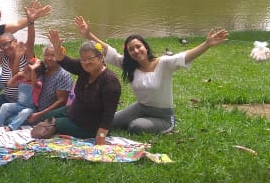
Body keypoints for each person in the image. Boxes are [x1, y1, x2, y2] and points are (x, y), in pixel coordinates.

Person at [75, 16, 229, 134]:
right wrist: (88, 34)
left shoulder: (164, 64)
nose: (136, 51)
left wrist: (207, 44)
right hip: (140, 108)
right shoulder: (129, 66)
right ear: (128, 53)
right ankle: (140, 119)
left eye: (138, 47)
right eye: (131, 49)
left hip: (163, 116)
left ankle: (158, 123)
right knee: (108, 123)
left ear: (145, 47)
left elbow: (185, 56)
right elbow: (109, 51)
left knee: (135, 127)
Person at [32, 31, 121, 144]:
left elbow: (109, 114)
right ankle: (61, 122)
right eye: (83, 59)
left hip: (90, 125)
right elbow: (63, 61)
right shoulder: (83, 68)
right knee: (46, 116)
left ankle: (62, 125)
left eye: (90, 58)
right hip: (73, 111)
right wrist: (56, 46)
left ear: (101, 58)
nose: (86, 62)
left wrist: (101, 136)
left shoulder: (110, 81)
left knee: (53, 123)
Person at [0, 1, 52, 116]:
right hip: (7, 98)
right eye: (2, 45)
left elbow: (31, 41)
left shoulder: (26, 55)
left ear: (15, 42)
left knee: (3, 113)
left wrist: (31, 22)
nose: (6, 47)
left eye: (8, 43)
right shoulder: (2, 57)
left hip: (24, 102)